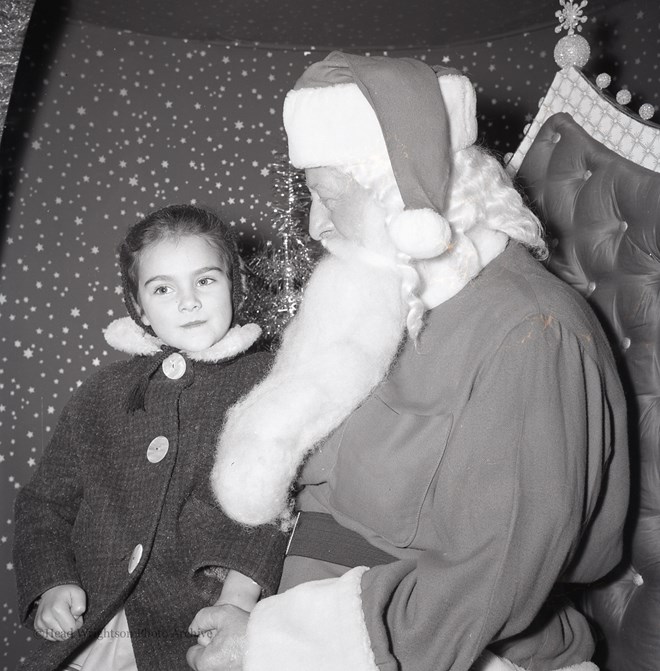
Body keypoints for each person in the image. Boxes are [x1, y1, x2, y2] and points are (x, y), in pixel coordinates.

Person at [186, 53, 629, 671]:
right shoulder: (391, 305)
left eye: (329, 197)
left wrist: (273, 645)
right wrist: (251, 604)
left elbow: (489, 580)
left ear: (400, 195)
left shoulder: (533, 331)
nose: (317, 227)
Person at [13, 204, 288, 671]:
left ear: (234, 286)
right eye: (163, 288)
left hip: (196, 630)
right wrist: (52, 582)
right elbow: (45, 503)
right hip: (94, 628)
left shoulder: (270, 383)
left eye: (205, 280)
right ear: (138, 306)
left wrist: (239, 599)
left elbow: (280, 507)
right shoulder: (102, 393)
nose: (189, 302)